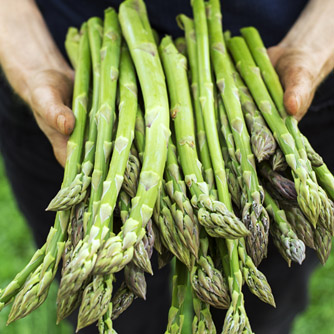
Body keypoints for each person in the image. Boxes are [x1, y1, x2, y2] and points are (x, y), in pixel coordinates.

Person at [0, 0, 333, 333]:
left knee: (264, 312)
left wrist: (316, 39)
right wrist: (29, 56)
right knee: (115, 308)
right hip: (72, 88)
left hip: (272, 87)